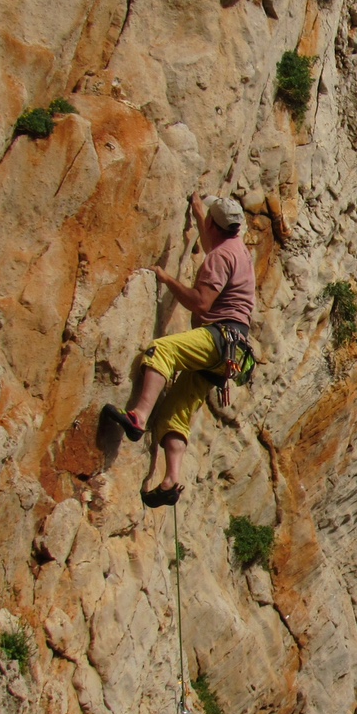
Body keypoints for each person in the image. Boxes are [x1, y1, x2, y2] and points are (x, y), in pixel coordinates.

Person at [103, 191, 255, 507]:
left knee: (162, 350)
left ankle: (138, 416)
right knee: (177, 412)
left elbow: (201, 303)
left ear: (213, 225)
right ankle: (171, 479)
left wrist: (166, 279)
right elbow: (213, 244)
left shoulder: (220, 256)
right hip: (233, 352)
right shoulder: (237, 248)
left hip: (219, 339)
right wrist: (199, 213)